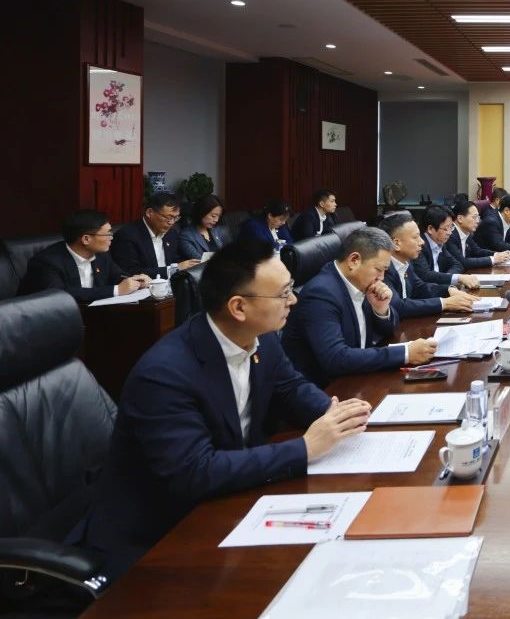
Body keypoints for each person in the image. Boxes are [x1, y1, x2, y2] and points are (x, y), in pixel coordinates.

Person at [72, 239, 373, 579]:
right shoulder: (165, 374)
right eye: (283, 293)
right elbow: (194, 472)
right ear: (238, 307)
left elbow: (291, 388)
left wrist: (335, 415)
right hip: (161, 534)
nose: (294, 300)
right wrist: (305, 448)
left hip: (231, 500)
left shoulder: (262, 337)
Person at [282, 227, 435, 386]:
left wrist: (381, 310)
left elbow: (389, 330)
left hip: (359, 377)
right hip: (329, 389)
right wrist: (405, 353)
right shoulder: (321, 294)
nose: (381, 278)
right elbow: (335, 358)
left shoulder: (359, 282)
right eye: (379, 269)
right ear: (354, 260)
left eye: (385, 270)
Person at [20, 209, 150, 301]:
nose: (111, 238)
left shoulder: (101, 255)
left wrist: (136, 280)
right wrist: (116, 290)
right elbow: (60, 295)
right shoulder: (46, 262)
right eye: (107, 234)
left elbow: (117, 276)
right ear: (86, 239)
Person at [378, 213, 476, 318]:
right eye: (415, 237)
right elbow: (397, 306)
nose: (422, 242)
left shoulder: (406, 262)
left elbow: (419, 287)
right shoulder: (382, 269)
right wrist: (444, 303)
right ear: (396, 244)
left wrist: (449, 290)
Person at [110, 192, 200, 277]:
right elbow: (129, 271)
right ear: (150, 213)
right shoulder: (127, 236)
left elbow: (175, 260)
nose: (171, 222)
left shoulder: (171, 234)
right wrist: (173, 269)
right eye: (169, 217)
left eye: (176, 218)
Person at [447, 200, 510, 269]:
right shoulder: (450, 235)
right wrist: (493, 259)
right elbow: (462, 262)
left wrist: (497, 254)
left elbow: (477, 251)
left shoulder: (465, 232)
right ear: (460, 219)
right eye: (474, 217)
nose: (478, 221)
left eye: (478, 217)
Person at [178, 194, 226, 261]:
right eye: (213, 216)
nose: (216, 220)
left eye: (219, 216)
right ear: (201, 212)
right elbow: (199, 260)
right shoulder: (186, 236)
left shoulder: (218, 230)